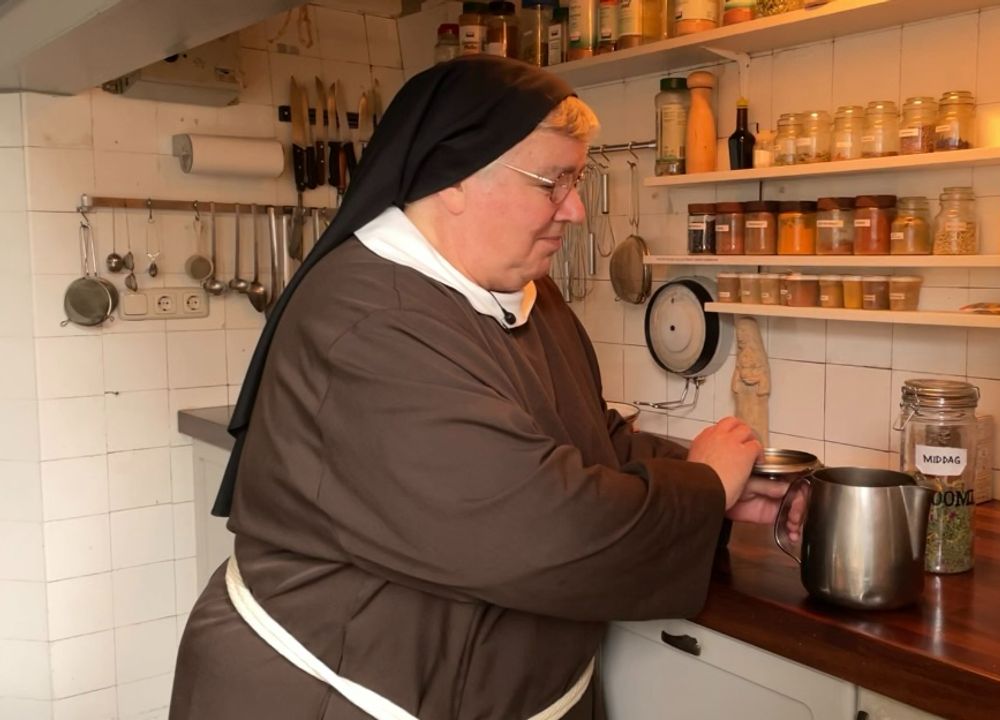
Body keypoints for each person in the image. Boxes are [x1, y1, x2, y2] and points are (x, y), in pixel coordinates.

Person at [170, 55, 787, 720]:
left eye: (577, 181)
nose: (576, 210)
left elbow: (586, 438)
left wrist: (717, 478)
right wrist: (703, 489)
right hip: (334, 695)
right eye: (553, 182)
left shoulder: (531, 295)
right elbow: (538, 533)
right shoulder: (369, 320)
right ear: (455, 177)